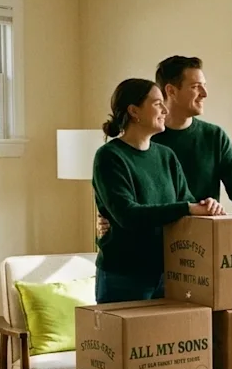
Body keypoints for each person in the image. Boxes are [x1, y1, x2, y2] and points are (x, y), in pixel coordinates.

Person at [97, 55, 232, 238]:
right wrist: (111, 216)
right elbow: (124, 206)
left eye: (204, 85)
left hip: (193, 242)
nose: (204, 94)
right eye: (196, 87)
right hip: (147, 246)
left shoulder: (210, 138)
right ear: (171, 91)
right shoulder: (138, 141)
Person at [92, 77, 223, 303]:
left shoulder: (166, 156)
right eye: (157, 103)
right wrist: (187, 208)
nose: (164, 109)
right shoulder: (109, 157)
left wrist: (205, 206)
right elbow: (127, 214)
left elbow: (186, 206)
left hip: (170, 273)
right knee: (128, 340)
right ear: (134, 111)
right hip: (124, 276)